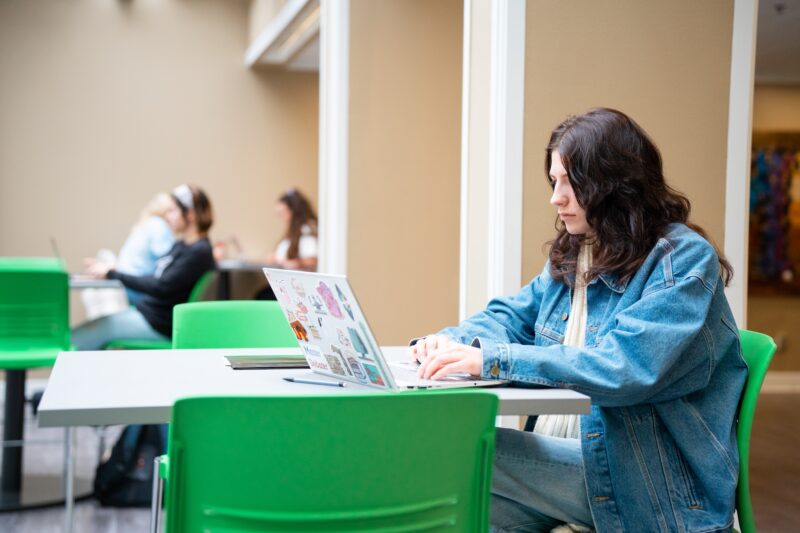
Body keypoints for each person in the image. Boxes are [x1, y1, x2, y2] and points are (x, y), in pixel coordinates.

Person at [409, 108, 747, 533]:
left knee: (464, 453)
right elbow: (510, 317)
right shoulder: (579, 254)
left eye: (571, 182)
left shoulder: (681, 260)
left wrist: (492, 360)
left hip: (656, 490)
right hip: (588, 464)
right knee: (457, 512)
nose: (556, 197)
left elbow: (623, 367)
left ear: (615, 184)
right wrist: (449, 343)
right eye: (554, 181)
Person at [73, 185, 215, 349]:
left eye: (173, 211)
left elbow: (161, 285)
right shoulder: (182, 246)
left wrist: (114, 274)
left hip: (158, 324)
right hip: (148, 314)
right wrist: (115, 271)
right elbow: (159, 278)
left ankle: (57, 358)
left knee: (97, 327)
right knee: (98, 324)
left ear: (189, 214)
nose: (167, 217)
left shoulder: (199, 251)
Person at [267, 188, 318, 271]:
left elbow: (313, 259)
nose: (281, 218)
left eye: (282, 213)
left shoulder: (307, 229)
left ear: (295, 212)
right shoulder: (292, 233)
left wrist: (295, 263)